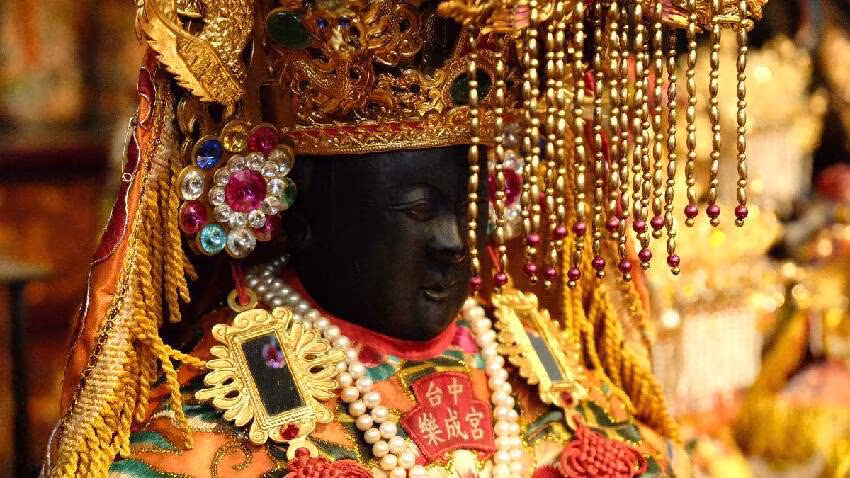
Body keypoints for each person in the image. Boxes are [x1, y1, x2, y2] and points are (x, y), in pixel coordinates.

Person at [41, 0, 761, 476]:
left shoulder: (545, 385)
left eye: (472, 206)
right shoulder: (212, 428)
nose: (456, 244)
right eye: (418, 211)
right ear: (301, 210)